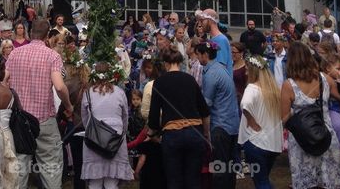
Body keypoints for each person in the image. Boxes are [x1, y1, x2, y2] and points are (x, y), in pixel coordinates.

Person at [5, 18, 73, 189]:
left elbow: (4, 80)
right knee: (50, 165)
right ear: (47, 35)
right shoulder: (52, 56)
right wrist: (69, 105)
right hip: (44, 118)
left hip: (20, 119)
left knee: (19, 165)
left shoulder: (14, 53)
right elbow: (59, 85)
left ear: (29, 32)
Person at [280, 41, 340, 189]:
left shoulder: (288, 85)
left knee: (309, 183)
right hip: (326, 135)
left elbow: (284, 119)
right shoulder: (324, 78)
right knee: (327, 181)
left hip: (303, 141)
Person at [145, 46, 210, 189]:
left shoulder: (159, 82)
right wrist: (206, 133)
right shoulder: (190, 80)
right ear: (180, 62)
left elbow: (154, 116)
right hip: (195, 132)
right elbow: (205, 111)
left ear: (165, 63)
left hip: (172, 134)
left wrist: (151, 134)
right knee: (193, 179)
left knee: (174, 180)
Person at [79, 62, 134, 188]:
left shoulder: (88, 93)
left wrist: (91, 131)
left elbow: (85, 119)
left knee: (95, 181)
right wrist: (122, 133)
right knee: (111, 181)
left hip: (94, 138)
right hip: (115, 138)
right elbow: (125, 116)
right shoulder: (119, 92)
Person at [198, 40, 241, 189]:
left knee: (220, 168)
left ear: (205, 55)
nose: (197, 59)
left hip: (221, 126)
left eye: (198, 55)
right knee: (229, 167)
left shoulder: (211, 74)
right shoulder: (221, 68)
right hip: (232, 124)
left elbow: (206, 105)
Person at [238, 54, 283, 189]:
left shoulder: (252, 88)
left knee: (261, 182)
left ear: (253, 70)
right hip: (273, 144)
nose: (245, 72)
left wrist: (251, 120)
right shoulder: (274, 90)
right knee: (264, 180)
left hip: (256, 142)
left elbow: (244, 104)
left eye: (247, 69)